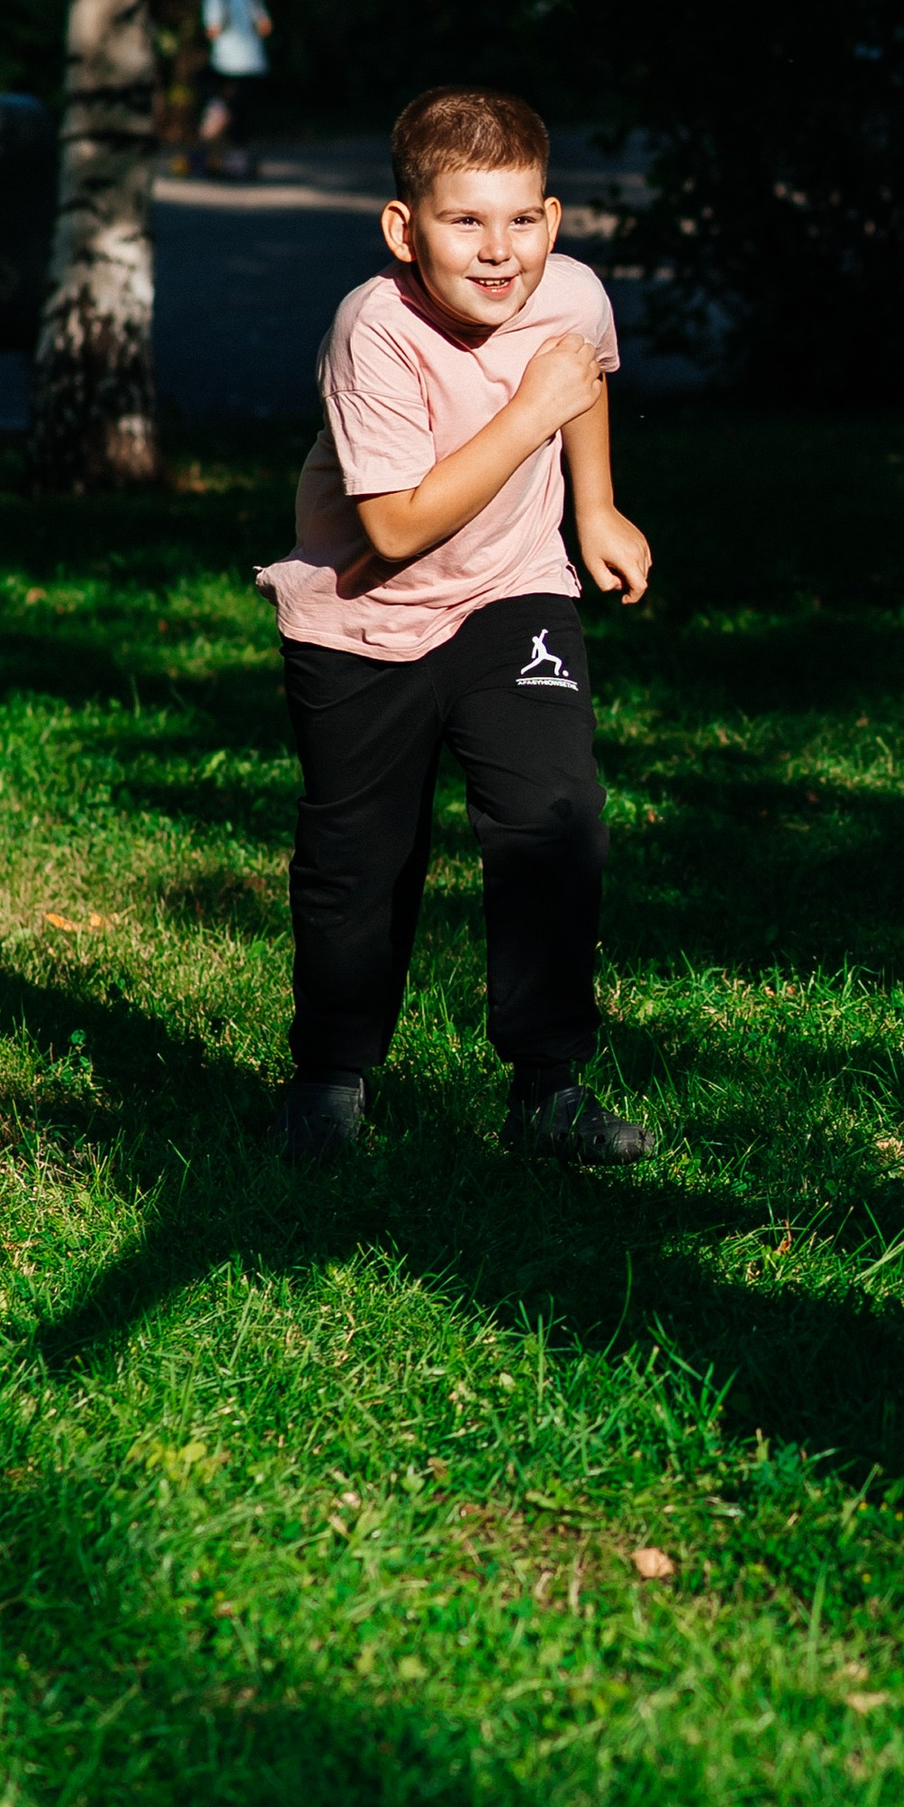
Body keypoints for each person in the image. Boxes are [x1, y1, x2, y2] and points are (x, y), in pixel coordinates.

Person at [254, 84, 656, 1170]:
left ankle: (549, 1084)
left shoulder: (569, 292)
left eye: (523, 219)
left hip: (511, 589)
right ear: (403, 227)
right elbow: (390, 526)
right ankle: (330, 1080)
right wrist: (529, 410)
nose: (499, 251)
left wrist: (596, 505)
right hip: (362, 619)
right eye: (465, 220)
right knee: (361, 858)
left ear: (554, 219)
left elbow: (584, 377)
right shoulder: (372, 330)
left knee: (553, 812)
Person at [198, 0, 272, 176]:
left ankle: (218, 111)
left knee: (209, 87)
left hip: (226, 60)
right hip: (251, 61)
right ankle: (239, 160)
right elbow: (265, 27)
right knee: (243, 111)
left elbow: (213, 30)